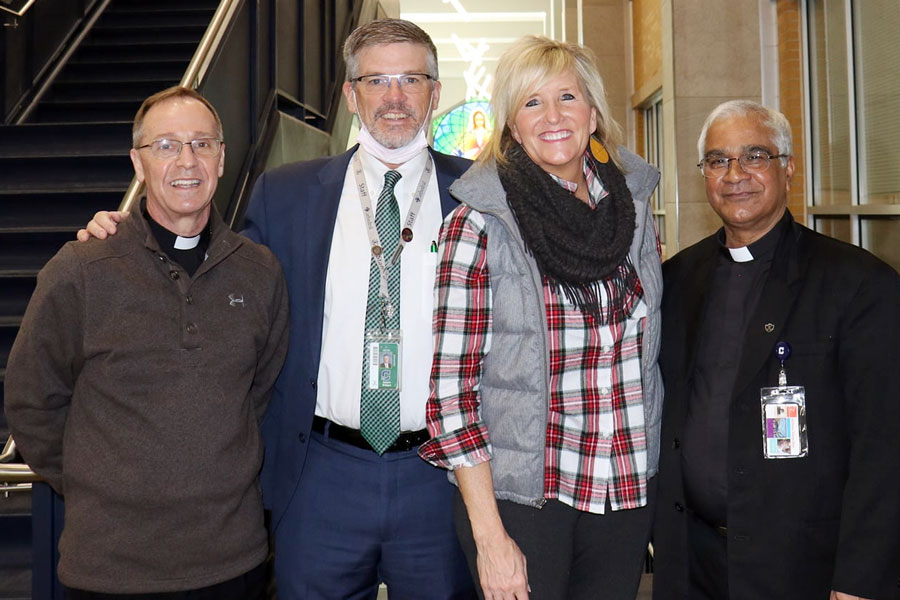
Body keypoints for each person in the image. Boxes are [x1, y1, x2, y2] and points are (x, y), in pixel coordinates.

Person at [78, 18, 475, 600]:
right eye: (376, 80)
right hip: (318, 476)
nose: (393, 97)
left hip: (441, 476)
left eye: (411, 79)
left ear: (435, 93)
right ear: (349, 94)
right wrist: (128, 230)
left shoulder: (484, 194)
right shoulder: (285, 192)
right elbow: (211, 271)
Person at [4, 86, 290, 598]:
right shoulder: (82, 269)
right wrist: (100, 483)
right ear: (138, 163)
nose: (187, 160)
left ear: (222, 159)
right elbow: (32, 401)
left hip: (232, 561)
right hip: (110, 566)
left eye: (202, 144)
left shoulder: (259, 271)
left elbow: (259, 394)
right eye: (166, 146)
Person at [419, 36, 663, 600]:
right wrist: (491, 539)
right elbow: (451, 396)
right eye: (531, 103)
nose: (552, 117)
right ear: (510, 124)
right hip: (525, 502)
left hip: (622, 490)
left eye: (567, 97)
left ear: (594, 113)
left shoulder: (632, 210)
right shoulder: (478, 224)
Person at [652, 100, 900, 599]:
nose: (735, 174)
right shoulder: (676, 280)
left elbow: (885, 446)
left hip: (804, 566)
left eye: (755, 156)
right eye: (718, 160)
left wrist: (860, 580)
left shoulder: (857, 284)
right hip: (693, 564)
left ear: (788, 167)